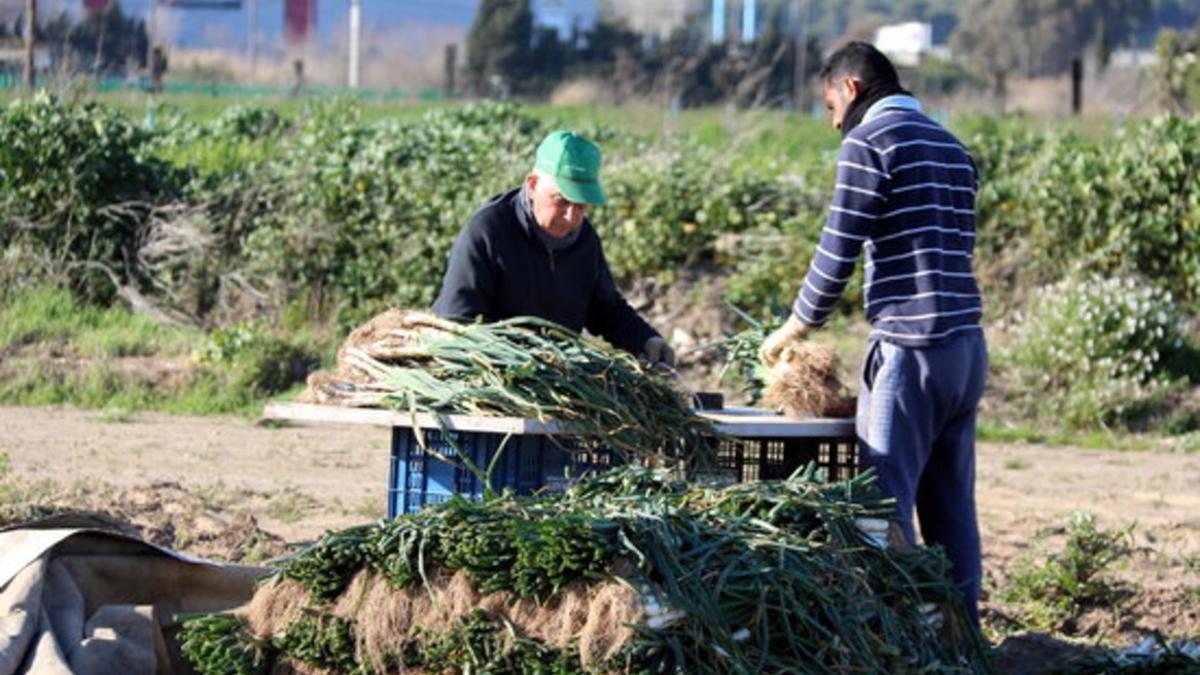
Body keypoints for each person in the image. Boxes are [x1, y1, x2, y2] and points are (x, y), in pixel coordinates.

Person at [760, 42, 987, 625]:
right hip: (966, 350)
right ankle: (962, 641)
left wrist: (796, 325)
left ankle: (897, 640)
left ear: (851, 90)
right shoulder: (953, 147)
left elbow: (837, 247)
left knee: (881, 506)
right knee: (953, 509)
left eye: (829, 105)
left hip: (911, 351)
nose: (833, 122)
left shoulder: (870, 141)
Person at [433, 130, 674, 367]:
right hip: (494, 370)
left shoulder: (584, 239)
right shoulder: (488, 231)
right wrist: (519, 364)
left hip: (554, 372)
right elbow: (458, 319)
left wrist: (645, 339)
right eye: (562, 201)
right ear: (533, 184)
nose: (570, 217)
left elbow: (606, 309)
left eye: (581, 205)